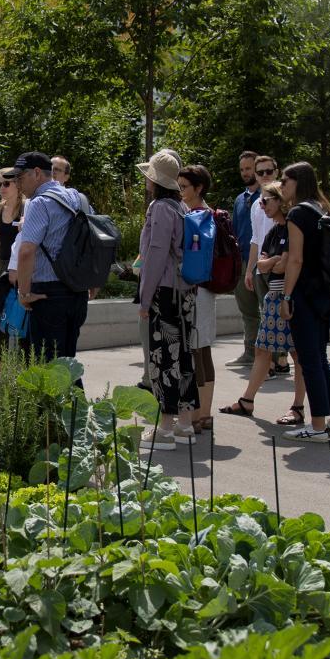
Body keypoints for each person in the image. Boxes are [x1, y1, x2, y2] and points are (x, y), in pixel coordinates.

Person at [218, 184, 306, 426]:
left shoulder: (292, 228)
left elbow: (284, 264)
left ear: (281, 200)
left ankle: (298, 407)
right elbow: (264, 264)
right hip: (273, 298)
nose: (262, 205)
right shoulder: (273, 232)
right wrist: (273, 262)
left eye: (266, 200)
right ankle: (247, 401)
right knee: (262, 349)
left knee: (298, 354)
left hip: (289, 297)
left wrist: (273, 262)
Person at [277, 161, 330, 443]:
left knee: (309, 361)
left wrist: (286, 296)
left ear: (298, 182)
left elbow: (295, 259)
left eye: (285, 180)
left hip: (304, 295)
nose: (281, 186)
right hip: (326, 294)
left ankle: (317, 426)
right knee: (320, 359)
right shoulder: (322, 209)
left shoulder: (297, 213)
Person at [135, 150, 198, 451]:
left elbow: (155, 256)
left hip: (165, 293)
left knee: (164, 358)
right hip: (184, 292)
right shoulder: (181, 206)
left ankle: (166, 429)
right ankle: (185, 423)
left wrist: (144, 300)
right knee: (183, 355)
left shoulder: (160, 208)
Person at [11, 151, 93, 364]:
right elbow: (91, 239)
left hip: (49, 295)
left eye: (20, 177)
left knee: (47, 367)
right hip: (77, 292)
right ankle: (75, 399)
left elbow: (27, 250)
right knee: (68, 364)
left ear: (37, 173)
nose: (18, 184)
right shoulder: (77, 197)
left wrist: (24, 292)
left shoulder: (39, 203)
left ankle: (69, 399)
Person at [232, 150, 285, 375]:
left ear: (277, 172)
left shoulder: (284, 199)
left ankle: (278, 361)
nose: (264, 175)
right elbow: (255, 239)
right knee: (265, 313)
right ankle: (270, 362)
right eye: (260, 172)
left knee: (277, 314)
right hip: (260, 265)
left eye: (268, 171)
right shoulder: (255, 204)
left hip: (279, 265)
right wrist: (250, 269)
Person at [179, 164, 222, 431]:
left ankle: (198, 415)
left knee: (197, 351)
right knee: (203, 351)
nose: (180, 191)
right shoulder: (211, 215)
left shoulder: (197, 216)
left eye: (184, 187)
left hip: (197, 290)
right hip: (207, 289)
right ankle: (204, 413)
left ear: (199, 188)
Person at [0, 165, 23, 363]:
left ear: (17, 184)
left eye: (6, 183)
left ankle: (20, 366)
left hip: (20, 266)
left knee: (18, 317)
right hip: (1, 266)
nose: (2, 187)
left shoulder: (27, 206)